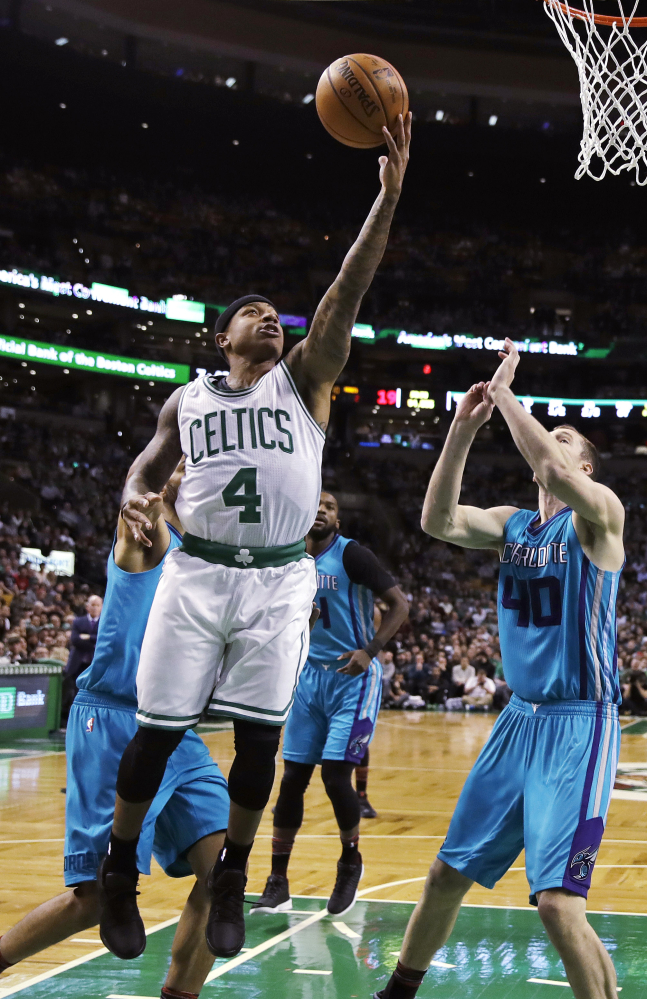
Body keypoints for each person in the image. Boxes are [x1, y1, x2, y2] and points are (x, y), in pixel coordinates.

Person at [97, 113, 411, 962]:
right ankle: (119, 865)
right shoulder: (187, 399)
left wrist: (384, 200)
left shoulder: (305, 383)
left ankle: (234, 872)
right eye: (253, 314)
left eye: (278, 315)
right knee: (156, 733)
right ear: (221, 338)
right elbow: (143, 467)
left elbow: (346, 288)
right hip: (195, 574)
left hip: (277, 583)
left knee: (260, 743)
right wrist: (133, 497)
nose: (270, 319)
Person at [376, 338, 624, 999]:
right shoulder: (513, 525)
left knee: (555, 903)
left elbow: (546, 459)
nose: (551, 443)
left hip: (578, 724)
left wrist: (506, 390)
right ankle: (398, 989)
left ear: (585, 464)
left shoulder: (600, 517)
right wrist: (461, 430)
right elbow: (435, 519)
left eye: (564, 438)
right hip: (517, 722)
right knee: (446, 873)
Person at [0, 459, 230, 999]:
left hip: (176, 728)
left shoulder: (214, 563)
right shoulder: (149, 534)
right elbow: (143, 486)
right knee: (96, 899)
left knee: (224, 877)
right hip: (115, 721)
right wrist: (138, 504)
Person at [251, 491, 408, 916]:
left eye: (331, 506)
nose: (321, 509)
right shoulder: (288, 560)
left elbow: (400, 604)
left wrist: (371, 650)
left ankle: (349, 863)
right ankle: (278, 880)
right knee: (291, 781)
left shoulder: (352, 555)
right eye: (315, 504)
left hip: (351, 680)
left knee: (337, 778)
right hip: (307, 678)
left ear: (338, 520)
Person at [62, 593, 103, 722]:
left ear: (102, 607)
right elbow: (75, 640)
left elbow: (104, 640)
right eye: (93, 605)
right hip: (78, 664)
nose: (95, 608)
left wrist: (88, 637)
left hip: (95, 664)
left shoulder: (105, 622)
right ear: (87, 607)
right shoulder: (79, 621)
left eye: (98, 605)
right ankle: (71, 721)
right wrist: (94, 642)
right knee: (74, 693)